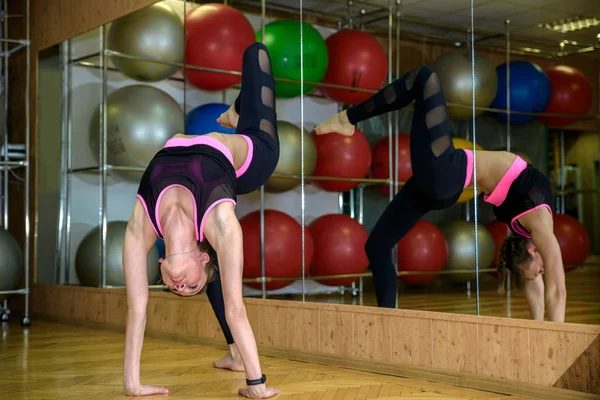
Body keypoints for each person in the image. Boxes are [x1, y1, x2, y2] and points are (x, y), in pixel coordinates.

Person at [314, 65, 567, 322]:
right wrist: (551, 336)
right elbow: (552, 289)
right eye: (538, 272)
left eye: (537, 272)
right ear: (534, 249)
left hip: (445, 174)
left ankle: (348, 118)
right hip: (442, 183)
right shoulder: (537, 220)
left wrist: (547, 342)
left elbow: (547, 289)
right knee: (377, 246)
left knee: (426, 78)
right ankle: (386, 321)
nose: (541, 274)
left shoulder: (528, 227)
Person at [122, 42, 280, 398]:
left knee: (249, 92)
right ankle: (239, 113)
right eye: (190, 286)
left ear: (161, 264)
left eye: (175, 288)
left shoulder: (142, 227)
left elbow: (136, 307)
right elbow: (236, 307)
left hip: (205, 144)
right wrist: (257, 386)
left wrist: (133, 383)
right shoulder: (220, 224)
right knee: (256, 55)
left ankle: (234, 354)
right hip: (252, 159)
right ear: (202, 257)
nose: (180, 287)